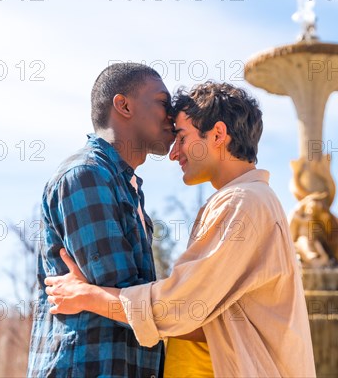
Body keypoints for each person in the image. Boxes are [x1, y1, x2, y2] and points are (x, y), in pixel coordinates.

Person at [45, 81, 317, 377]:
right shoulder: (247, 200)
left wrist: (87, 296)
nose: (174, 153)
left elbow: (183, 308)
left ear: (217, 134)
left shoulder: (242, 202)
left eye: (182, 137)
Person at [27, 63, 175, 378]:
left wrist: (93, 295)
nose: (173, 115)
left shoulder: (126, 185)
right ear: (123, 105)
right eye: (164, 102)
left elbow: (131, 302)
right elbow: (129, 300)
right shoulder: (86, 175)